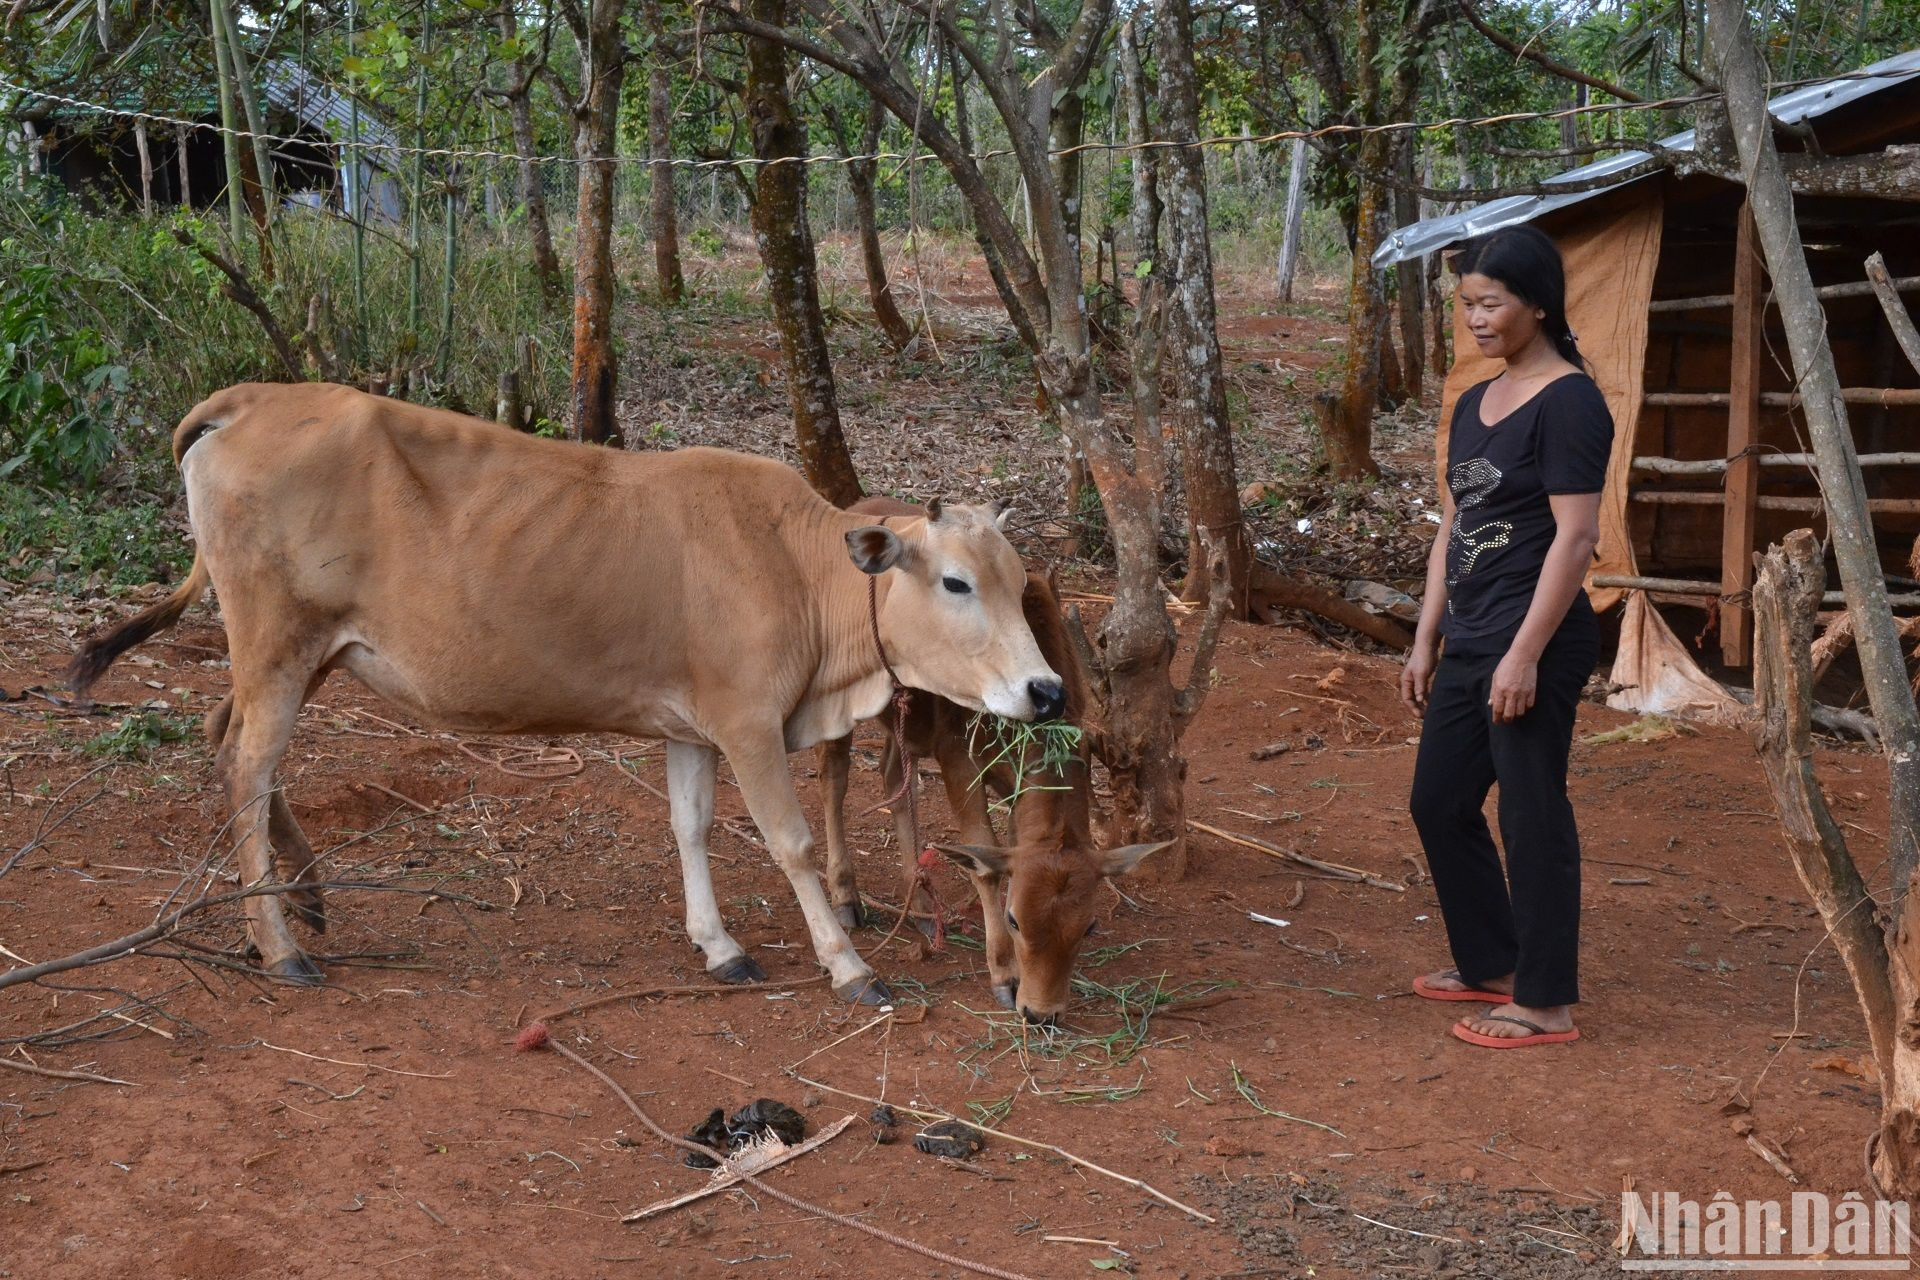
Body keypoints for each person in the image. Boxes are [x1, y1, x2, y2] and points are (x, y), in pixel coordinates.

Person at [1398, 224, 1612, 1050]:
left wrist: (1523, 654)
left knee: (1531, 812)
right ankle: (1492, 962)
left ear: (1538, 305)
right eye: (1467, 305)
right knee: (1439, 801)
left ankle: (1546, 1001)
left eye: (1490, 303)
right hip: (1471, 636)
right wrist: (1426, 635)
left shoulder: (1570, 402)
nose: (1476, 320)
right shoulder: (1473, 402)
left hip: (1536, 641)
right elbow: (1453, 526)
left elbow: (1577, 538)